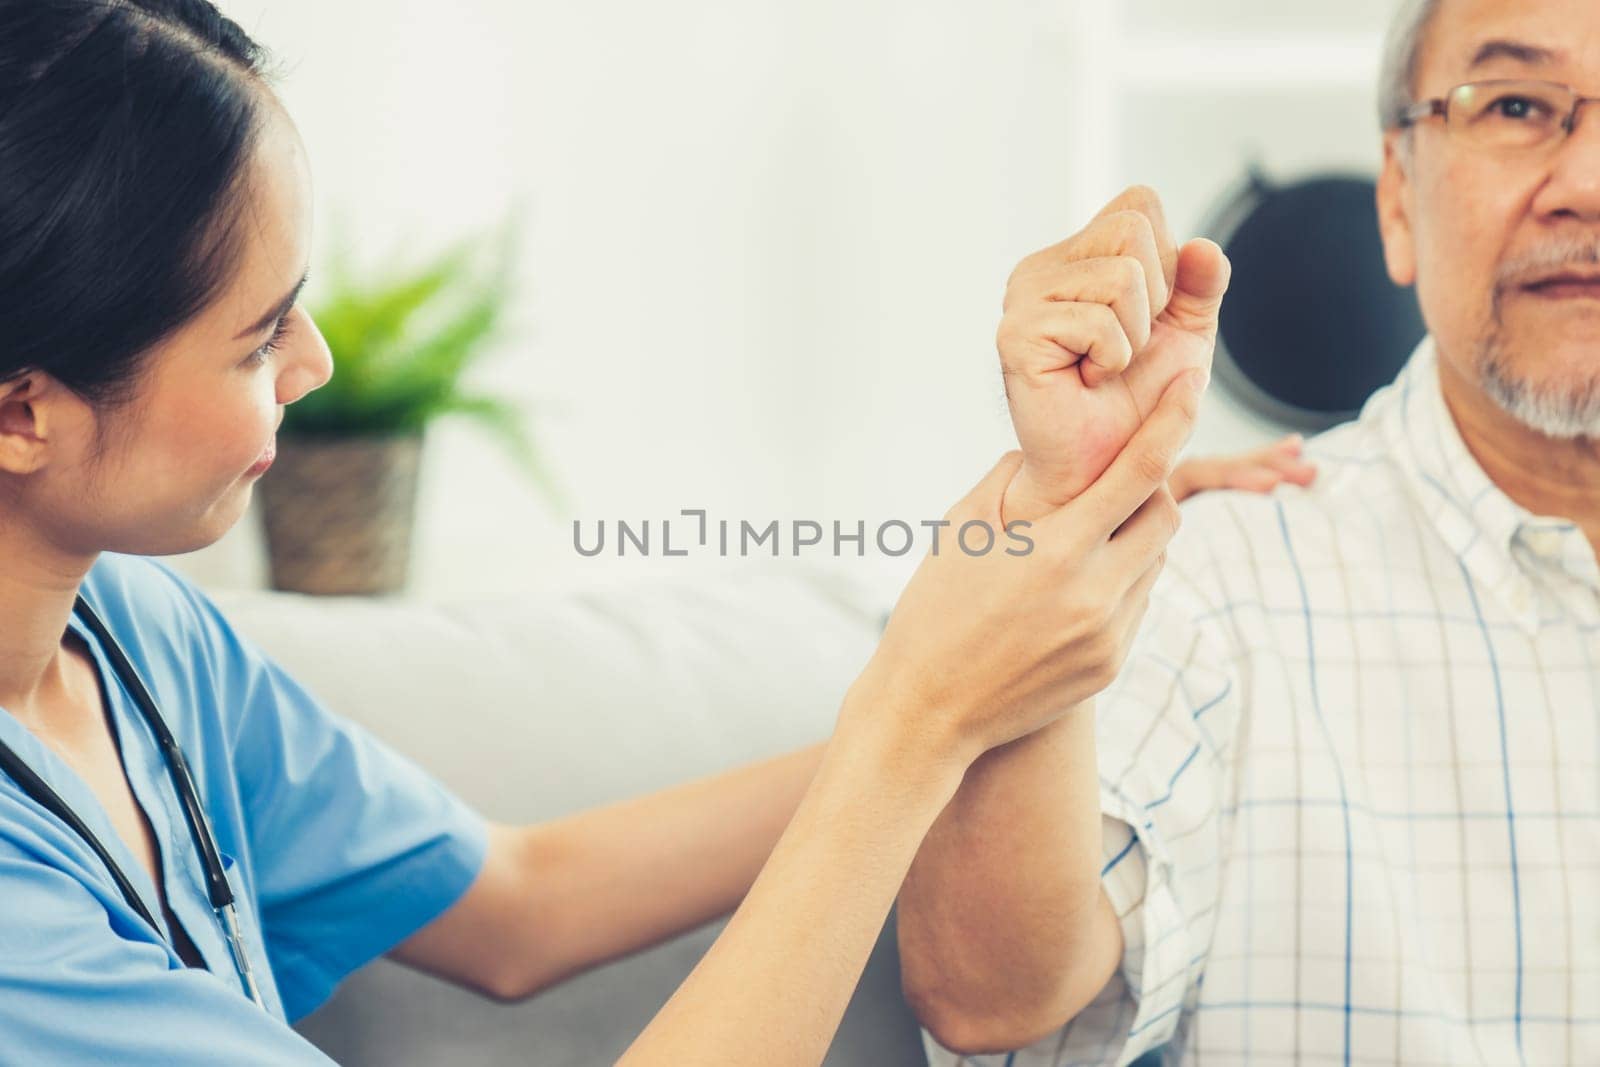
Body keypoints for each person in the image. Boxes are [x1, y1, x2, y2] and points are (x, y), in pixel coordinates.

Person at [0, 2, 1307, 1062]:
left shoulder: (131, 631)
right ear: (23, 411)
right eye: (256, 334)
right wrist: (924, 716)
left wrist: (1002, 641)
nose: (318, 358)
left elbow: (524, 901)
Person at [897, 1, 1600, 1064]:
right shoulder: (1207, 580)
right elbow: (993, 1000)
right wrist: (1070, 510)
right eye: (1513, 103)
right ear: (1398, 201)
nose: (1587, 182)